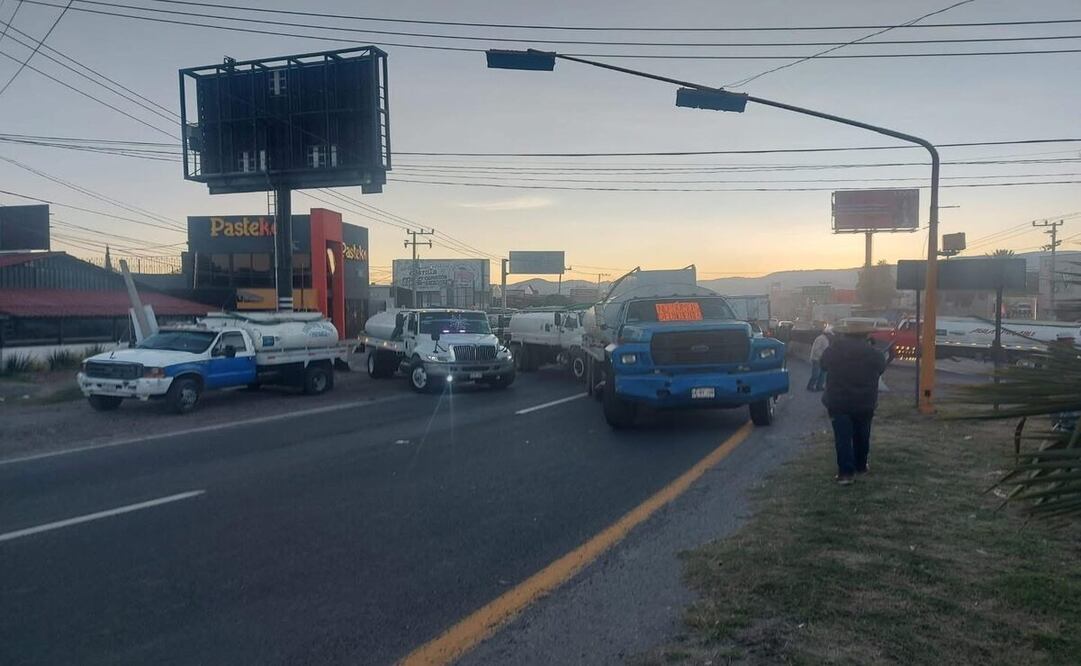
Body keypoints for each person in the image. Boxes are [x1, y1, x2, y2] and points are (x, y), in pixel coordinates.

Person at [820, 320, 888, 485]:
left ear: (844, 334)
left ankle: (845, 474)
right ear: (866, 335)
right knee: (862, 435)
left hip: (839, 401)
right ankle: (861, 466)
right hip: (865, 401)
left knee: (843, 438)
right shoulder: (875, 353)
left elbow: (823, 366)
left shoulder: (833, 351)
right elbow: (881, 369)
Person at [806, 325, 831, 391]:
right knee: (816, 374)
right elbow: (816, 350)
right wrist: (823, 356)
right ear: (827, 333)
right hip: (816, 359)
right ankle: (810, 386)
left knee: (823, 374)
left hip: (821, 359)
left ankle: (819, 386)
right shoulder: (820, 338)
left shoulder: (825, 339)